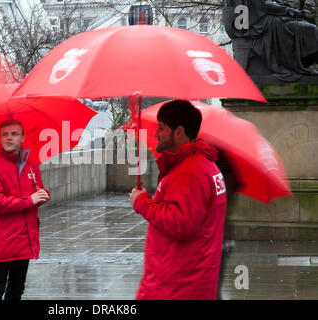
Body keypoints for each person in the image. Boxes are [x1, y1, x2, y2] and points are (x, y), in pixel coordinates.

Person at [129, 100, 227, 300]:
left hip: (176, 285)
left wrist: (142, 202)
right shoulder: (204, 165)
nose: (156, 133)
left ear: (179, 132)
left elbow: (180, 224)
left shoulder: (188, 173)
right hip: (191, 281)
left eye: (161, 127)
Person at [0, 119, 50, 300]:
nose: (9, 138)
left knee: (17, 289)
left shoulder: (30, 163)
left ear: (22, 137)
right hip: (3, 239)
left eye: (14, 134)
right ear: (0, 138)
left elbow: (37, 189)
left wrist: (42, 195)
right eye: (5, 134)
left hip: (24, 238)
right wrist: (30, 200)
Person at [223, 0, 318, 81]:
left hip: (256, 25)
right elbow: (264, 6)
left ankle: (300, 67)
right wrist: (290, 11)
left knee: (308, 29)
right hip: (259, 27)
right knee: (310, 30)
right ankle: (295, 67)